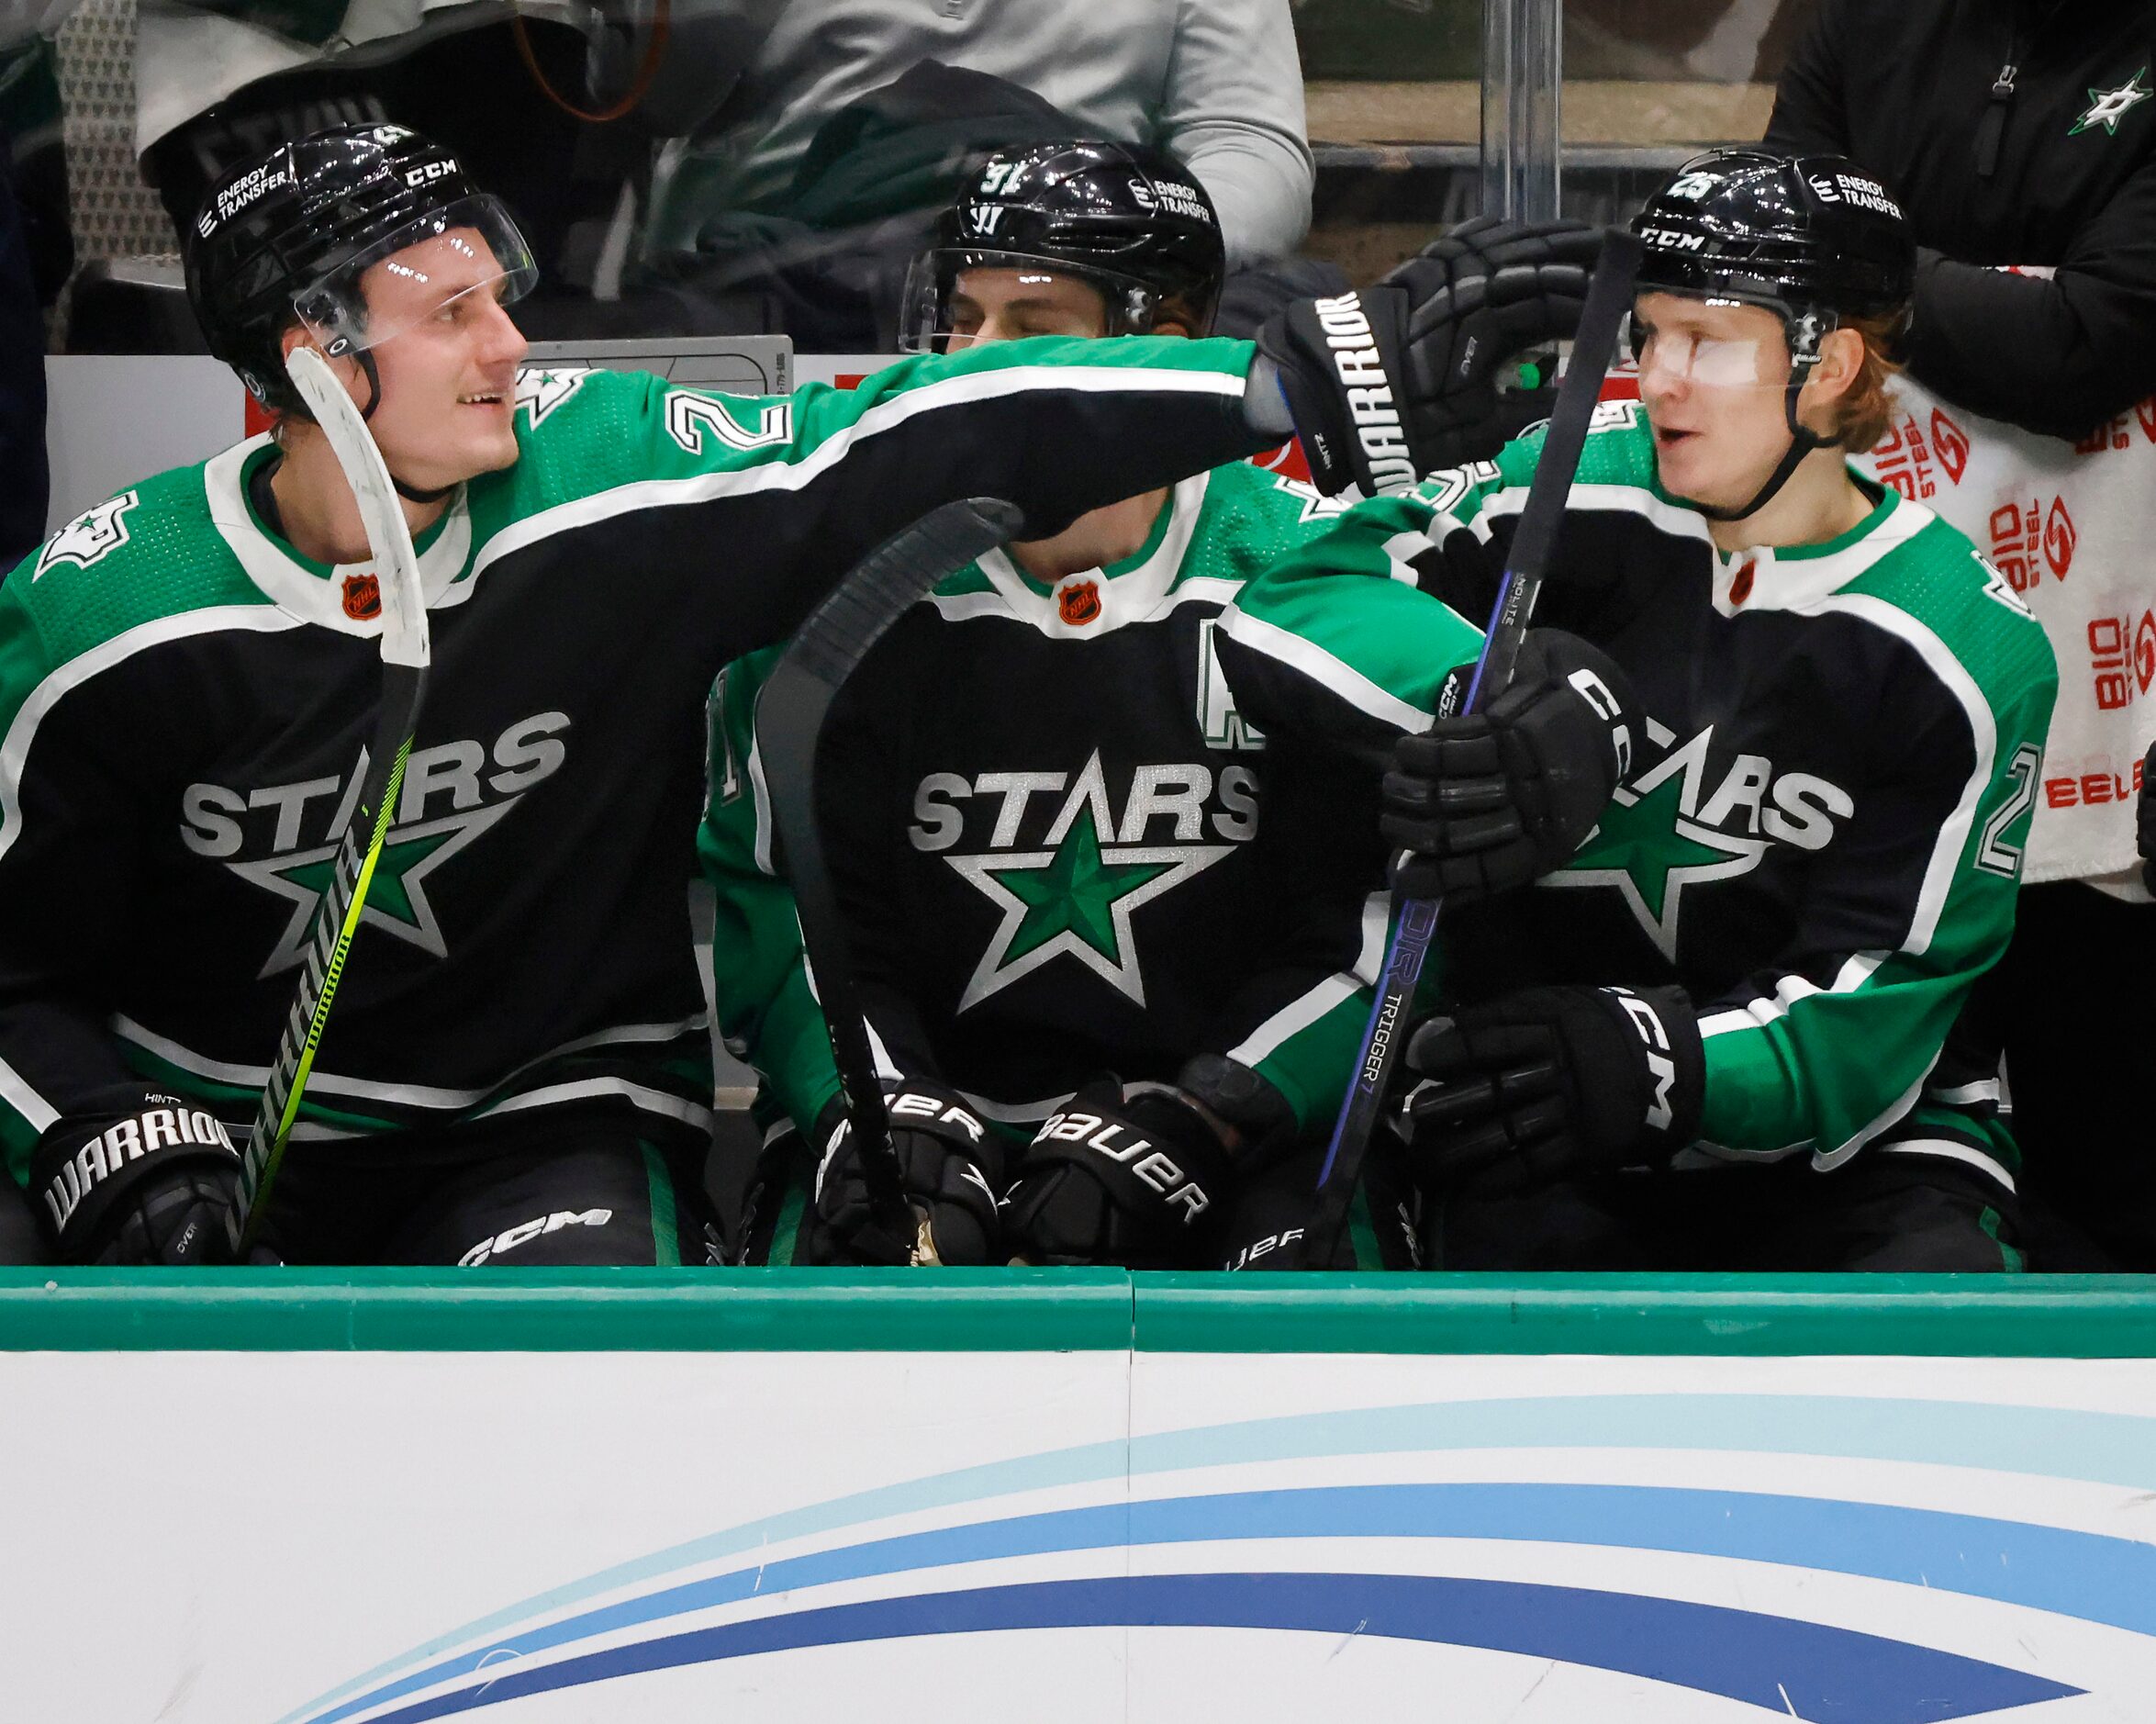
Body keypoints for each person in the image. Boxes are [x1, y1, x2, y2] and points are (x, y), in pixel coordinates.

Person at [0, 120, 1581, 1268]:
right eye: (452, 314)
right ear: (322, 362)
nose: (512, 342)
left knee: (567, 1380)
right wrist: (92, 1123)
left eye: (499, 293)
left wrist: (1276, 390)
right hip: (199, 1121)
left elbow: (905, 432)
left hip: (540, 1118)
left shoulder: (608, 473)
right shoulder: (96, 614)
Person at [709, 141, 1569, 1270]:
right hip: (912, 1114)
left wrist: (1203, 1118)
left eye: (1029, 327)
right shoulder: (845, 594)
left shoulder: (1299, 575)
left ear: (1166, 349)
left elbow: (1371, 935)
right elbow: (790, 914)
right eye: (961, 322)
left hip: (1232, 1125)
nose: (974, 370)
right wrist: (878, 1108)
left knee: (1306, 1324)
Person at [1219, 150, 2059, 1271]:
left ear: (1831, 363)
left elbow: (1877, 1014)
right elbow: (1295, 594)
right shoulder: (1567, 488)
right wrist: (1489, 691)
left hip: (1860, 1156)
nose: (1659, 378)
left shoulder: (1966, 642)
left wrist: (1670, 1066)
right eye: (1649, 334)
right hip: (1531, 1102)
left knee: (1924, 1350)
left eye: (1707, 343)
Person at [1767, 0, 2156, 1267]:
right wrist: (1992, 299)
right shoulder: (1856, 28)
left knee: (2103, 1159)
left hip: (2122, 694)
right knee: (1876, 1140)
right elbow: (1765, 273)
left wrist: (1870, 279)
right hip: (1866, 659)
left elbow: (2089, 345)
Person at [646, 0, 1314, 272]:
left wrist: (1119, 251)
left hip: (1083, 272)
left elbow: (1251, 143)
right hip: (771, 276)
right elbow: (642, 105)